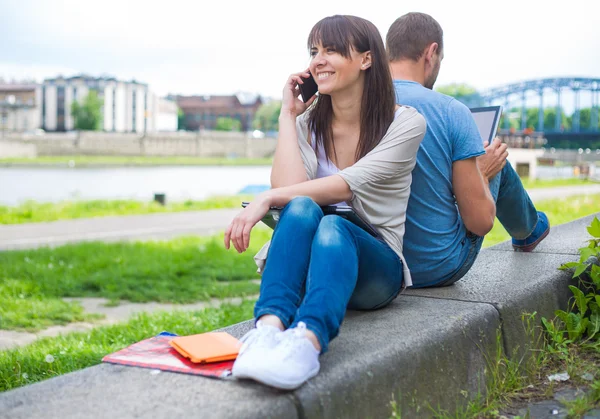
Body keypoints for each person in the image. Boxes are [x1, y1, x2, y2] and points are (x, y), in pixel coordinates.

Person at [223, 14, 426, 390]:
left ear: (366, 59)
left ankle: (308, 343)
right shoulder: (308, 122)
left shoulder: (406, 123)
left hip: (375, 268)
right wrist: (288, 115)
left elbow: (346, 186)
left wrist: (265, 199)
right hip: (312, 266)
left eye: (331, 50)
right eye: (314, 51)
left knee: (334, 224)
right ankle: (267, 330)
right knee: (300, 207)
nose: (318, 60)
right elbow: (291, 190)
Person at [385, 12, 550, 288]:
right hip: (436, 266)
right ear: (431, 52)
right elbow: (480, 223)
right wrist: (481, 173)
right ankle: (530, 230)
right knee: (492, 155)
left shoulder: (360, 103)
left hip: (379, 265)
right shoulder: (451, 110)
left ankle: (531, 226)